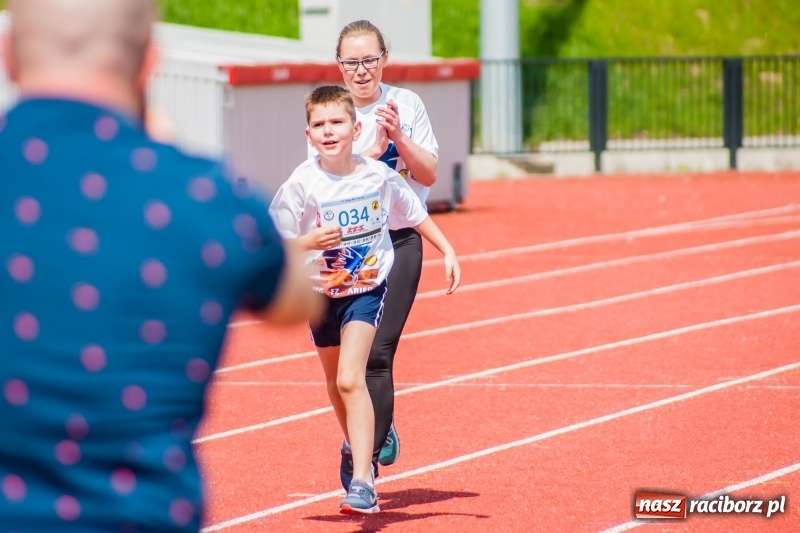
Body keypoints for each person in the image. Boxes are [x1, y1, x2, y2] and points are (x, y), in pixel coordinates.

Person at [0, 1, 322, 531]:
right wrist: (167, 152)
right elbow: (297, 300)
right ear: (150, 62)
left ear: (9, 57)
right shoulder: (201, 196)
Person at [271, 85, 460, 514]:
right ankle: (357, 446)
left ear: (357, 128)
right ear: (308, 134)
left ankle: (362, 481)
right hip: (319, 295)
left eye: (336, 122)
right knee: (335, 386)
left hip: (365, 290)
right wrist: (308, 241)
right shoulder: (302, 183)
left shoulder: (378, 176)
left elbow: (414, 213)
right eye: (319, 125)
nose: (328, 131)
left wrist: (447, 250)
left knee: (351, 379)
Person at [320, 19, 441, 487]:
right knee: (338, 364)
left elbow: (427, 176)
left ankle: (362, 462)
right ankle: (370, 432)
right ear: (339, 65)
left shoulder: (406, 104)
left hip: (400, 239)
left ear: (384, 59)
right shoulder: (331, 110)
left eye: (370, 59)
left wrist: (400, 140)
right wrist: (370, 150)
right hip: (350, 248)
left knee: (377, 353)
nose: (361, 70)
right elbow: (323, 182)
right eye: (351, 61)